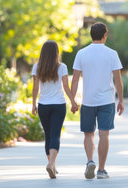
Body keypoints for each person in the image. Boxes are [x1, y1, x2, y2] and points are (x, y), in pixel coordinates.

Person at [71, 22, 124, 180]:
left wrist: (73, 101)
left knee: (88, 134)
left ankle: (89, 162)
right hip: (107, 100)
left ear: (91, 35)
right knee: (104, 134)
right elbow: (118, 80)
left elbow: (74, 80)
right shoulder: (112, 53)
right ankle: (101, 170)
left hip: (88, 101)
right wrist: (120, 100)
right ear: (105, 35)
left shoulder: (81, 53)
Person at [31, 40, 79, 179]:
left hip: (43, 105)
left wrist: (33, 103)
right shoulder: (62, 66)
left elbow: (35, 87)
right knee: (55, 134)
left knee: (48, 135)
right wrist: (73, 101)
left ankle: (51, 164)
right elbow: (65, 86)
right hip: (58, 105)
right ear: (56, 53)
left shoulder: (37, 67)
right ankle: (51, 164)